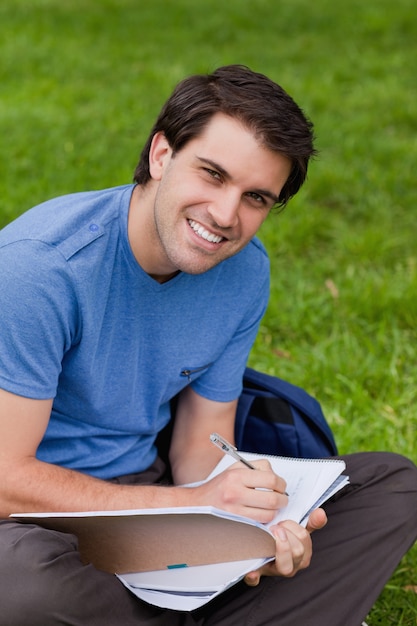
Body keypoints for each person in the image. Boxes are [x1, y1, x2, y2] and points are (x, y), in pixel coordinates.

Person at [0, 64, 415, 626]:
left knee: (392, 485)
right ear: (161, 155)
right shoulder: (40, 269)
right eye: (212, 175)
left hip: (152, 497)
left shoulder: (244, 272)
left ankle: (189, 600)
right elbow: (8, 482)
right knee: (30, 589)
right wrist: (193, 507)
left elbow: (200, 446)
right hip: (36, 522)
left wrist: (248, 531)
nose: (226, 216)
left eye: (256, 198)